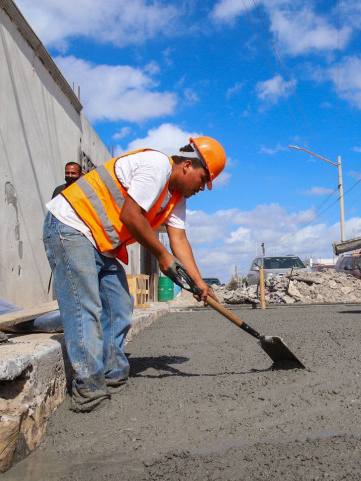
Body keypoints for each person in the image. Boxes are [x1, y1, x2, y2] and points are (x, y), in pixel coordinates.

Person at [43, 137, 226, 412]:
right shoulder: (156, 165)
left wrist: (199, 283)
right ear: (188, 165)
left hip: (101, 241)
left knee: (119, 305)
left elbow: (179, 240)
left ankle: (112, 373)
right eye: (203, 179)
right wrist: (162, 256)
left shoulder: (176, 198)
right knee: (85, 307)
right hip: (71, 227)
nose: (202, 188)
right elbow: (130, 216)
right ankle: (89, 389)